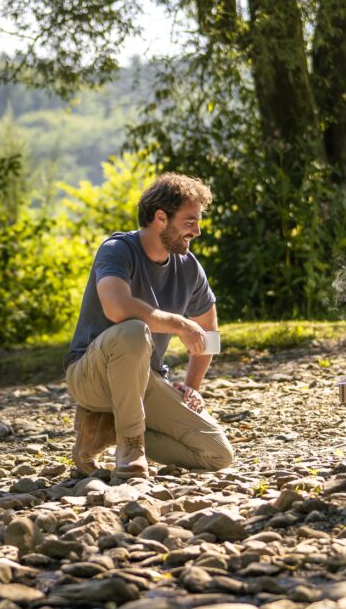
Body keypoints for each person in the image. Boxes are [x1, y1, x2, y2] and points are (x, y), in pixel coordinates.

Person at [63, 172, 233, 479]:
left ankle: (108, 428)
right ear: (160, 217)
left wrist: (192, 388)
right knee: (133, 331)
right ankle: (130, 446)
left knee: (217, 454)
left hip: (146, 381)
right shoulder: (117, 250)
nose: (197, 231)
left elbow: (210, 336)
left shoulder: (190, 268)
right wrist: (179, 324)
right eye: (190, 221)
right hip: (91, 376)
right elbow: (117, 308)